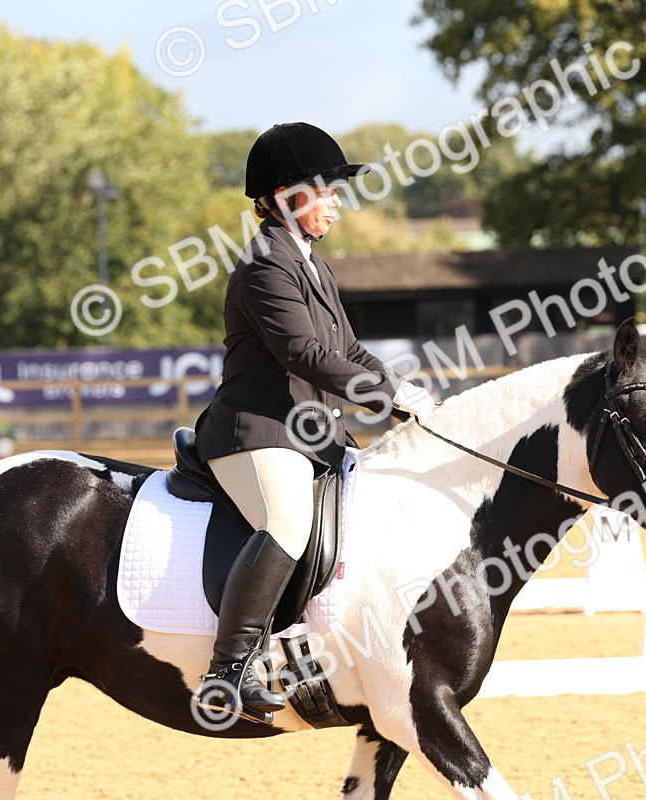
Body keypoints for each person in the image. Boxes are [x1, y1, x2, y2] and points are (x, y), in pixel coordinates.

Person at [192, 122, 435, 718]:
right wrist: (387, 396)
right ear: (286, 196)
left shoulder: (313, 266)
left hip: (310, 434)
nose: (336, 203)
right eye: (326, 191)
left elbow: (346, 351)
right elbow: (304, 355)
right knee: (287, 522)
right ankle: (229, 669)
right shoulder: (264, 265)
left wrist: (404, 392)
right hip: (258, 430)